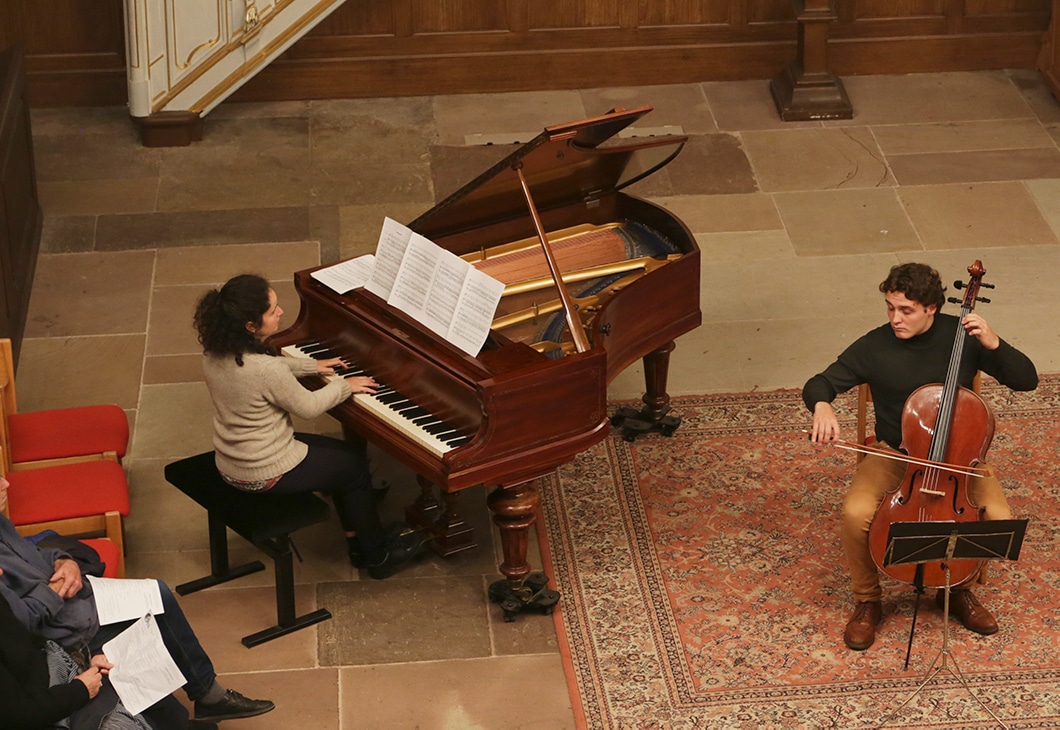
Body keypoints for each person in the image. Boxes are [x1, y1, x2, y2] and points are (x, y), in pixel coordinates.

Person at [803, 262, 1038, 651]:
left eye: (906, 310)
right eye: (890, 307)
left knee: (998, 518)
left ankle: (958, 589)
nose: (895, 318)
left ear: (932, 307)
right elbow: (821, 382)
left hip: (959, 460)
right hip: (897, 454)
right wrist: (822, 406)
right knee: (855, 514)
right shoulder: (875, 346)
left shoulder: (963, 337)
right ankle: (867, 600)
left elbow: (1026, 380)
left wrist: (994, 342)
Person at [193, 273, 422, 578]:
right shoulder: (265, 370)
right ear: (250, 325)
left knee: (342, 456)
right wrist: (344, 385)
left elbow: (263, 368)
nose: (281, 312)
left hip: (232, 460)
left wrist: (311, 366)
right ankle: (378, 556)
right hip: (264, 471)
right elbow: (309, 407)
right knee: (353, 469)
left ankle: (358, 542)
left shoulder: (216, 353)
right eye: (272, 311)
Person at [0, 477, 272, 725]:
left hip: (74, 601)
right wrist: (53, 590)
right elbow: (18, 622)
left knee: (157, 594)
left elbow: (34, 551)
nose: (6, 484)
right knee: (145, 627)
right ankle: (192, 707)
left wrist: (64, 561)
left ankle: (204, 697)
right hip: (58, 629)